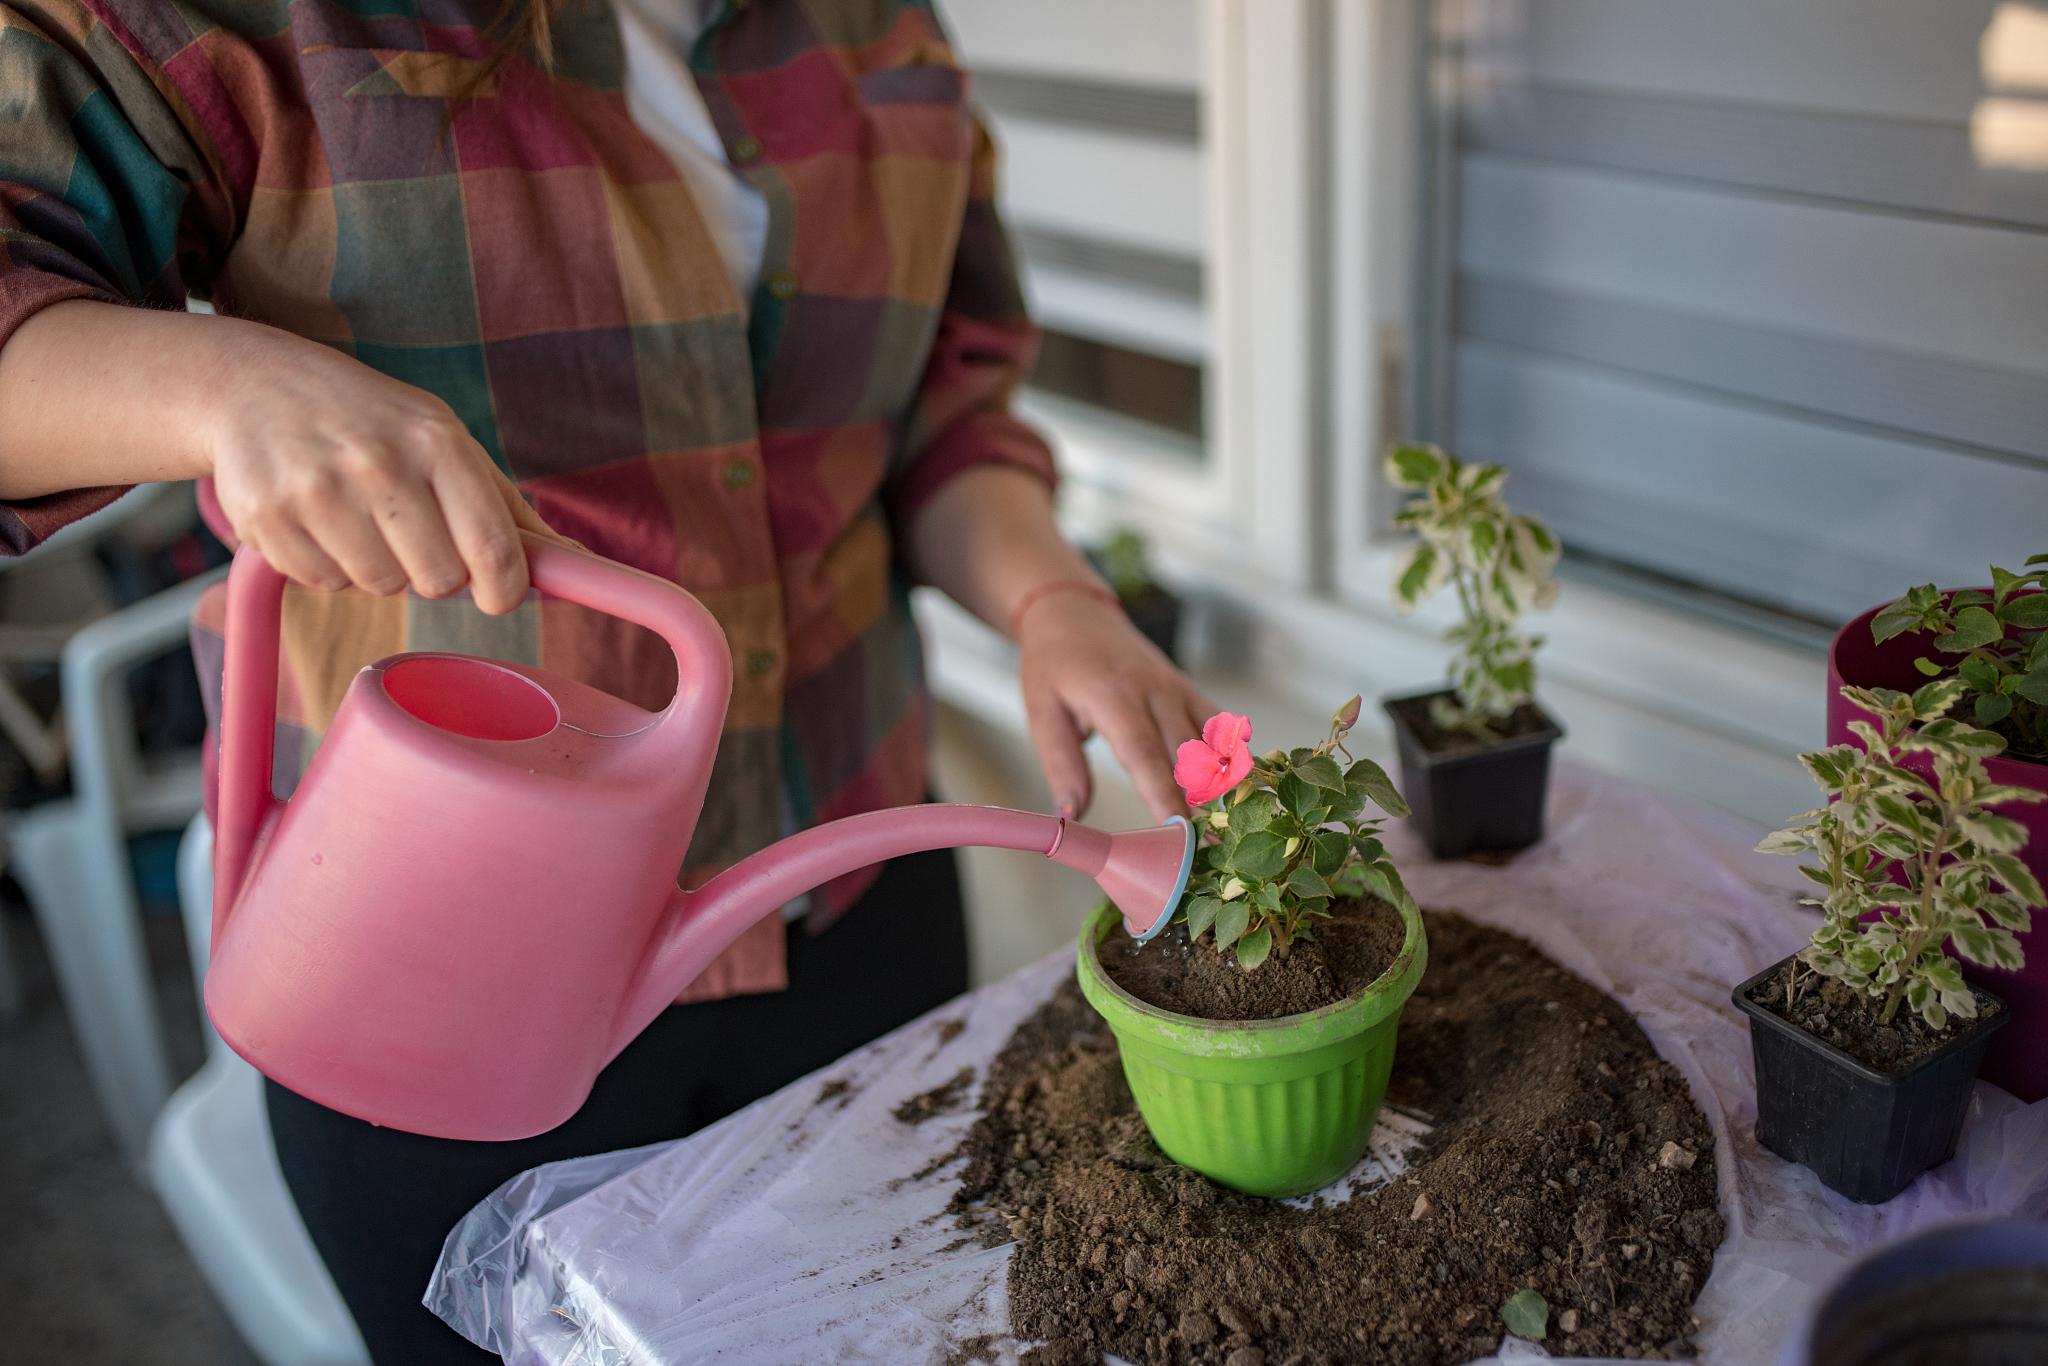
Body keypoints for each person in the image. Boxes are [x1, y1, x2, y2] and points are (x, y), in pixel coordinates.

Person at [0, 0, 1212, 1357]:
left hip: (855, 894)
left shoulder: (880, 29)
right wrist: (226, 391)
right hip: (443, 962)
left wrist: (1054, 600)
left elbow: (935, 411)